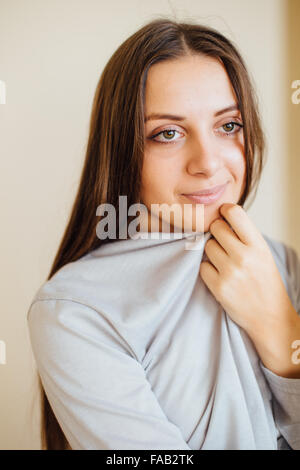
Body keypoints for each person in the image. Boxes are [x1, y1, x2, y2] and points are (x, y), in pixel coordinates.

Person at [27, 18, 300, 450]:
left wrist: (281, 331)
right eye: (168, 134)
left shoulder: (284, 264)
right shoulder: (76, 311)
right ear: (122, 147)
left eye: (228, 125)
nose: (207, 163)